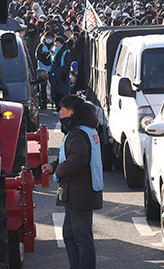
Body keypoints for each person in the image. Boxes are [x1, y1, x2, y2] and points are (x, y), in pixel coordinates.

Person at [42, 95, 103, 269]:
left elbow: (77, 159)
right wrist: (54, 166)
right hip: (78, 192)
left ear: (72, 112)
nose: (59, 112)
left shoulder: (77, 133)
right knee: (70, 234)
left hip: (80, 193)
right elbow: (71, 156)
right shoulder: (84, 129)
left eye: (62, 109)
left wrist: (58, 170)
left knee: (82, 237)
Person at [49, 36, 71, 112]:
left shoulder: (65, 51)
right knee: (55, 90)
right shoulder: (53, 50)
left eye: (58, 42)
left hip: (61, 72)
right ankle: (57, 107)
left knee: (63, 91)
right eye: (55, 42)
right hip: (55, 71)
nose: (56, 44)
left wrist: (65, 73)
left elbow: (67, 63)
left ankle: (62, 108)